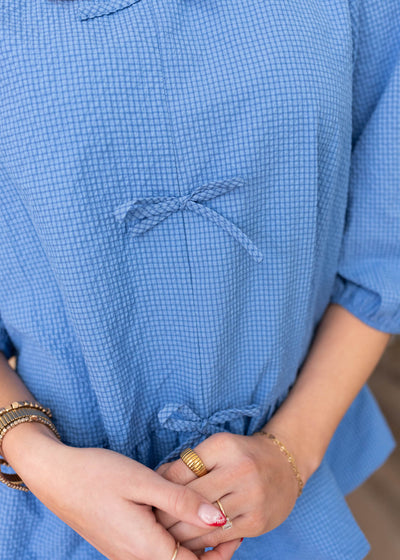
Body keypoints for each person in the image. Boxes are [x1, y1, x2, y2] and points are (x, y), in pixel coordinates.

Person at [0, 0, 399, 558]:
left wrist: (291, 452)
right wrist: (36, 455)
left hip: (304, 470)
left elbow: (385, 246)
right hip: (53, 505)